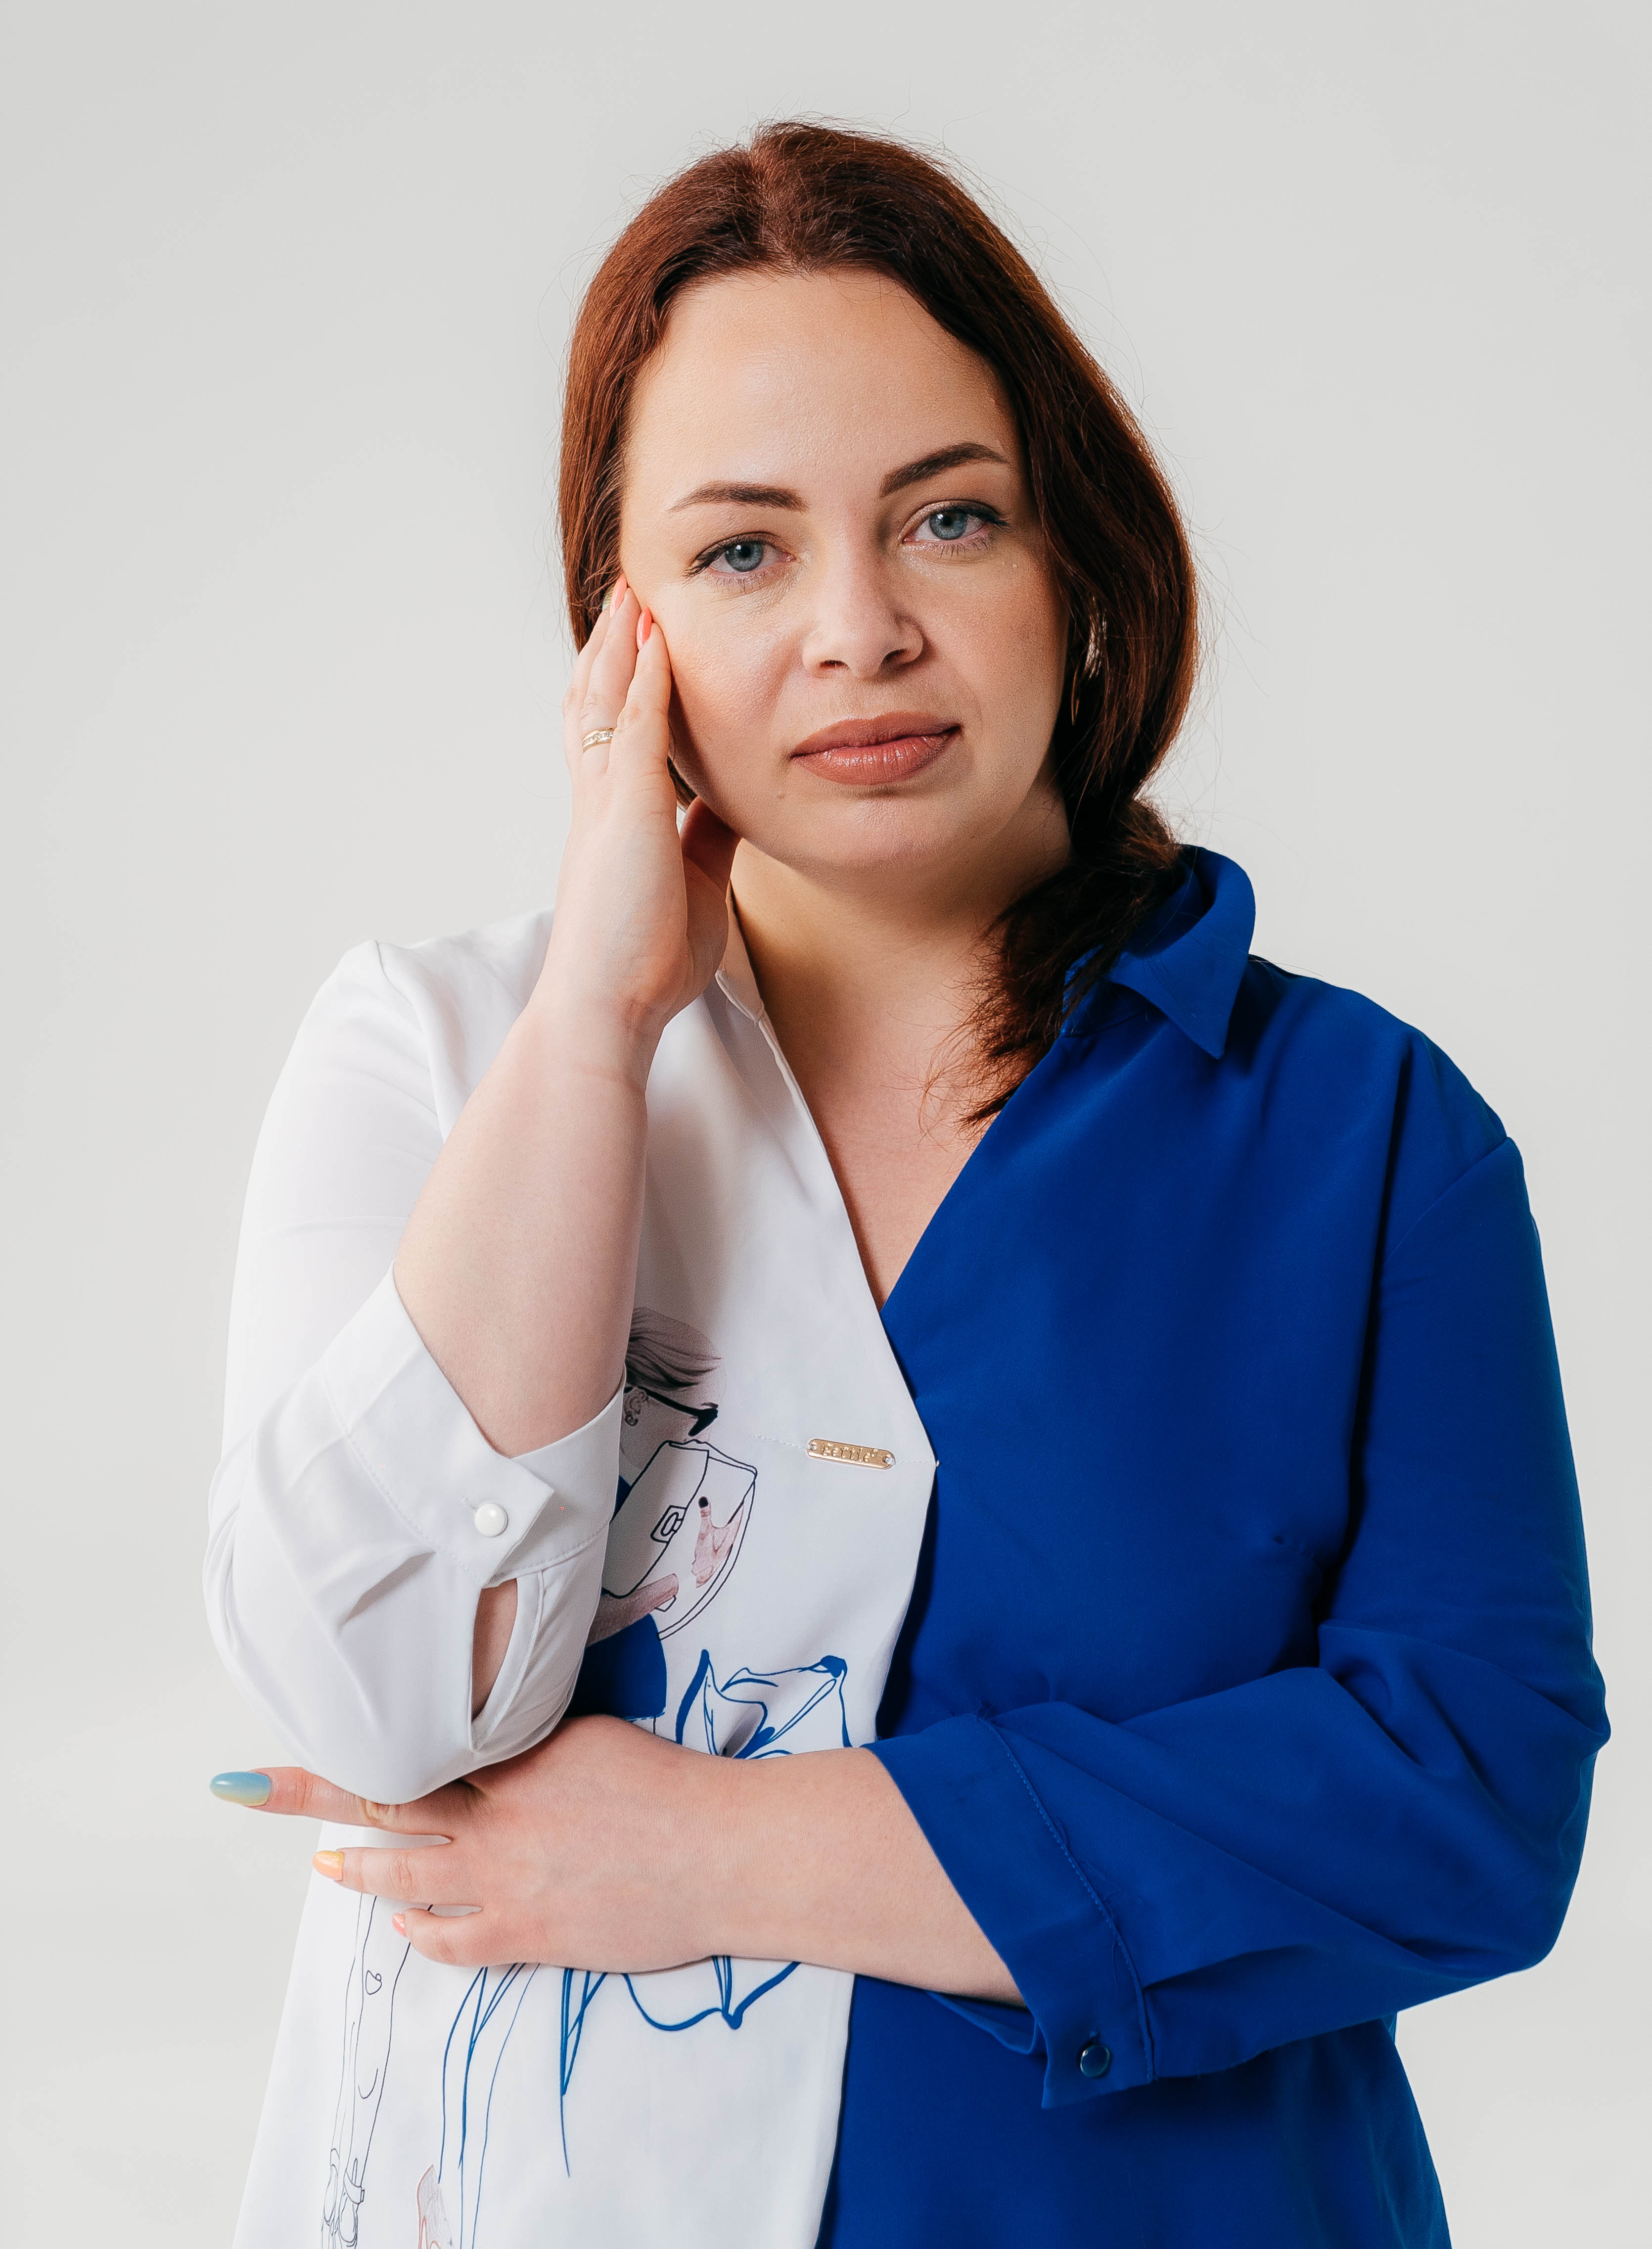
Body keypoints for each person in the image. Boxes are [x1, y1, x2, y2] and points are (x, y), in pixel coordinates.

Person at [204, 123, 1606, 2249]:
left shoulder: (1362, 1131)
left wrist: (720, 1851)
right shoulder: (437, 1055)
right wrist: (593, 1030)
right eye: (741, 551)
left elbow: (1470, 1803)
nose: (858, 630)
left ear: (1078, 559)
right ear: (618, 632)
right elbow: (374, 1701)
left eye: (949, 517)